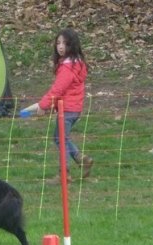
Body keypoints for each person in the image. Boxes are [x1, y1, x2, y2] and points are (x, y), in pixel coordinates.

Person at [22, 28, 93, 184]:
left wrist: (43, 106)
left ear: (72, 45)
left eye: (65, 43)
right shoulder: (77, 64)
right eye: (58, 43)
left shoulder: (67, 68)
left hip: (67, 110)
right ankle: (82, 159)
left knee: (60, 139)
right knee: (61, 138)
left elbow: (57, 90)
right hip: (74, 109)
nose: (60, 46)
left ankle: (64, 175)